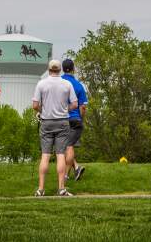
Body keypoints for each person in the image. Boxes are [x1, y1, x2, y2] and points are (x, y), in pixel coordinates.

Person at [32, 59, 77, 197]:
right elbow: (75, 104)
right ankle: (61, 188)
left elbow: (35, 105)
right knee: (60, 155)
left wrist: (43, 110)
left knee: (45, 155)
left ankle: (40, 189)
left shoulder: (42, 84)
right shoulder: (67, 84)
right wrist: (65, 109)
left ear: (49, 69)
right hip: (63, 121)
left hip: (46, 122)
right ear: (60, 70)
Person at [61, 59, 88, 181]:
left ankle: (66, 175)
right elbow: (83, 107)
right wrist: (80, 118)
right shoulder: (78, 85)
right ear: (73, 69)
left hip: (61, 118)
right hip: (75, 119)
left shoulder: (59, 82)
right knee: (68, 146)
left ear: (62, 69)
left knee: (66, 146)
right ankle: (76, 168)